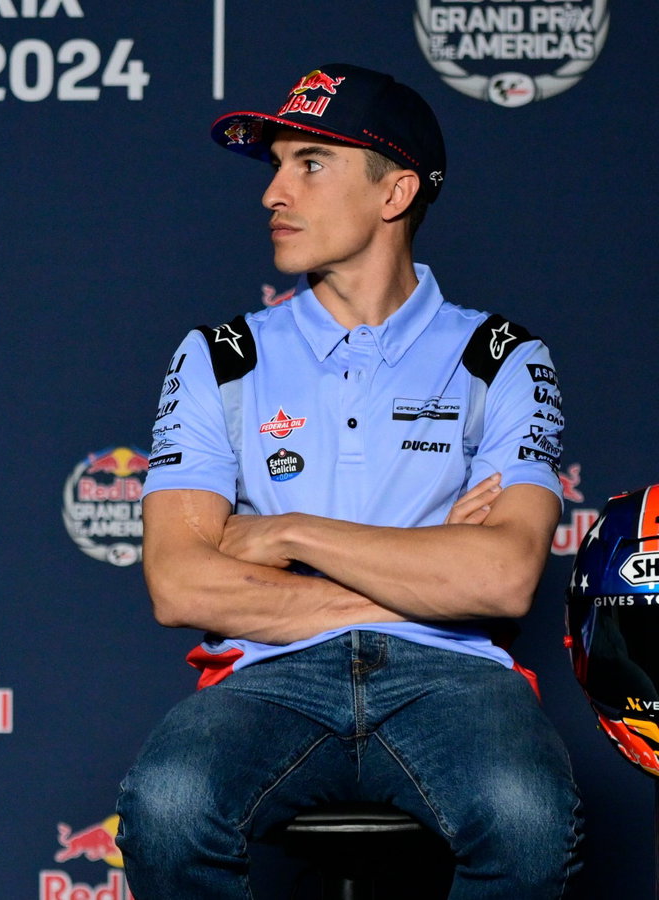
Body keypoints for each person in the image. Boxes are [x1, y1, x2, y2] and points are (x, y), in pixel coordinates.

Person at [114, 64, 579, 897]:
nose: (273, 194)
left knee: (527, 817)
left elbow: (504, 581)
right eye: (277, 165)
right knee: (168, 805)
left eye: (311, 164)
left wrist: (289, 534)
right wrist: (432, 570)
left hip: (454, 675)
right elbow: (178, 583)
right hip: (271, 671)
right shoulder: (222, 356)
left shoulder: (501, 356)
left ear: (395, 192)